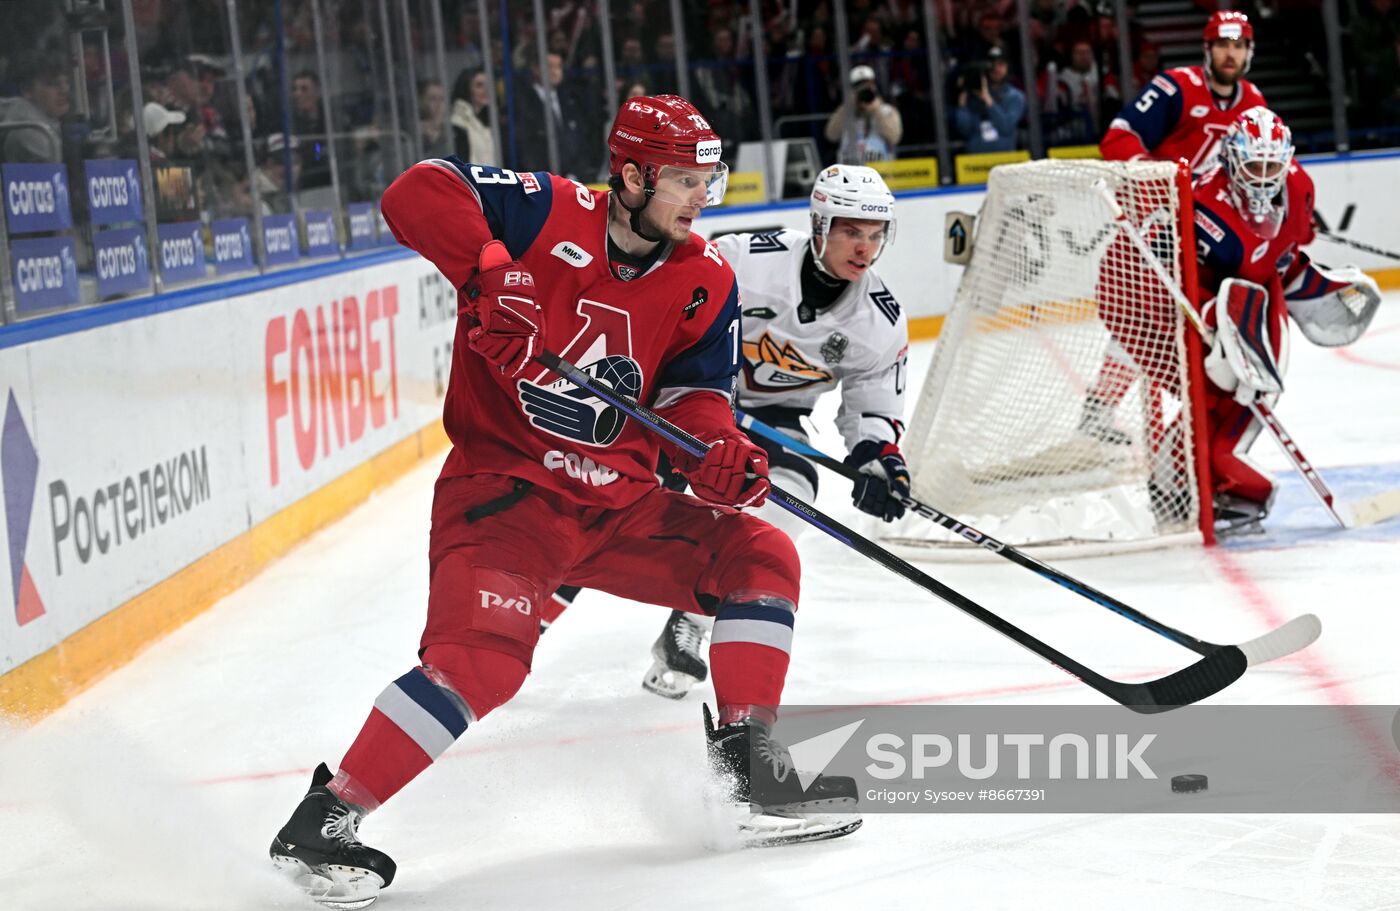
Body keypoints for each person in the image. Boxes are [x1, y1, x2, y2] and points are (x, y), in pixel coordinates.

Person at [268, 94, 861, 908]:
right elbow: (414, 193)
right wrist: (489, 267)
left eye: (706, 180)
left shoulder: (706, 277)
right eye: (685, 180)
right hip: (508, 494)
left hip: (621, 508)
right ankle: (325, 820)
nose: (701, 197)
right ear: (630, 173)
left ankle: (750, 768)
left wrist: (716, 453)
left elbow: (694, 400)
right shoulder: (542, 209)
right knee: (483, 662)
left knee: (762, 551)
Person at [543, 165, 910, 701]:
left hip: (773, 422)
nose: (865, 249)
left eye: (875, 236)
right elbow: (666, 301)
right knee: (610, 498)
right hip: (684, 402)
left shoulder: (878, 318)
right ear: (820, 226)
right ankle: (528, 617)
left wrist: (879, 457)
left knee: (793, 494)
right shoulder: (746, 259)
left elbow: (874, 398)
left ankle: (689, 620)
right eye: (852, 232)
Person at [1187, 108, 1379, 533]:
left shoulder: (1297, 185)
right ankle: (1195, 485)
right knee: (1204, 405)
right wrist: (1207, 313)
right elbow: (1181, 273)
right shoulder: (1202, 205)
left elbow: (1284, 255)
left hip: (1259, 303)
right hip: (1210, 314)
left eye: (1271, 166)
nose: (1262, 177)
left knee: (1254, 393)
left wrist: (1312, 274)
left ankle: (1234, 490)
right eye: (1253, 166)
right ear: (1232, 161)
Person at [1100, 10, 1266, 176]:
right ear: (1207, 49)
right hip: (1167, 199)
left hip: (1218, 200)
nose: (1230, 54)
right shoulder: (1175, 87)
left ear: (1248, 52)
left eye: (1238, 46)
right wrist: (1147, 175)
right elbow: (1119, 136)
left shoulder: (1254, 102)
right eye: (1222, 44)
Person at [951, 47, 1025, 154]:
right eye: (992, 65)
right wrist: (962, 105)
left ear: (1008, 67)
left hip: (1006, 159)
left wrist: (988, 101)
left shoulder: (1015, 96)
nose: (996, 69)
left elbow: (1006, 127)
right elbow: (965, 130)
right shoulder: (973, 95)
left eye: (1000, 64)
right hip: (976, 163)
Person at [824, 64, 903, 163]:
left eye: (868, 85)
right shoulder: (845, 111)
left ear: (874, 86)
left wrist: (877, 111)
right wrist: (847, 106)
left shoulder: (887, 110)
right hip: (850, 171)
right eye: (858, 86)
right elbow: (831, 135)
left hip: (880, 171)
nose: (863, 90)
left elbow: (894, 138)